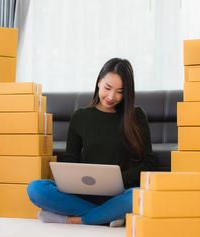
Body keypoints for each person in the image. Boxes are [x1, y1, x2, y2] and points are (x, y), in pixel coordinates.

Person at [27, 58, 155, 226]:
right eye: (107, 88)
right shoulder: (80, 116)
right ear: (99, 82)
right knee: (36, 189)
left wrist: (116, 180)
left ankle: (75, 220)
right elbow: (70, 159)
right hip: (83, 193)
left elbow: (148, 162)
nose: (111, 96)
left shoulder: (136, 116)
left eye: (120, 91)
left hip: (120, 194)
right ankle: (108, 215)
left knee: (135, 197)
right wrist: (70, 179)